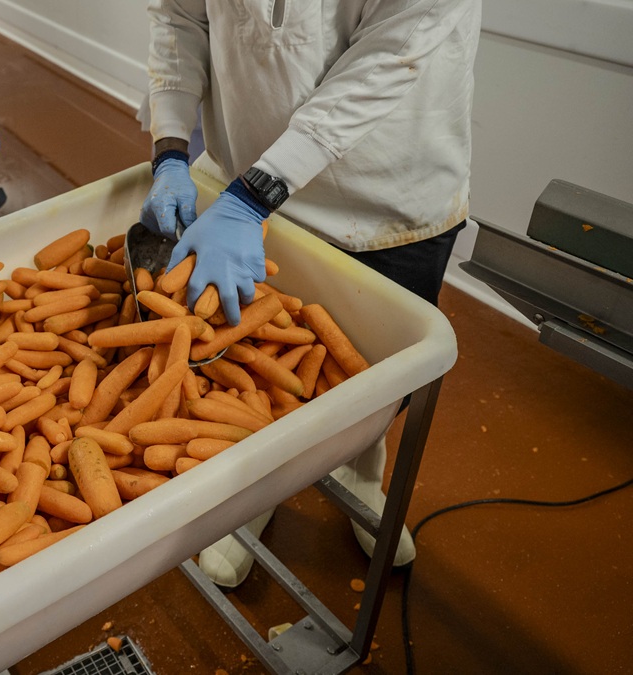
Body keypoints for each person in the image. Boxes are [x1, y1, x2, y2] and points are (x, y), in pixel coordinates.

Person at [141, 0, 482, 588]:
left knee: (371, 377)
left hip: (384, 200)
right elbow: (178, 15)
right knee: (258, 365)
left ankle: (361, 472)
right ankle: (255, 490)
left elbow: (383, 63)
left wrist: (256, 194)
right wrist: (170, 146)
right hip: (244, 178)